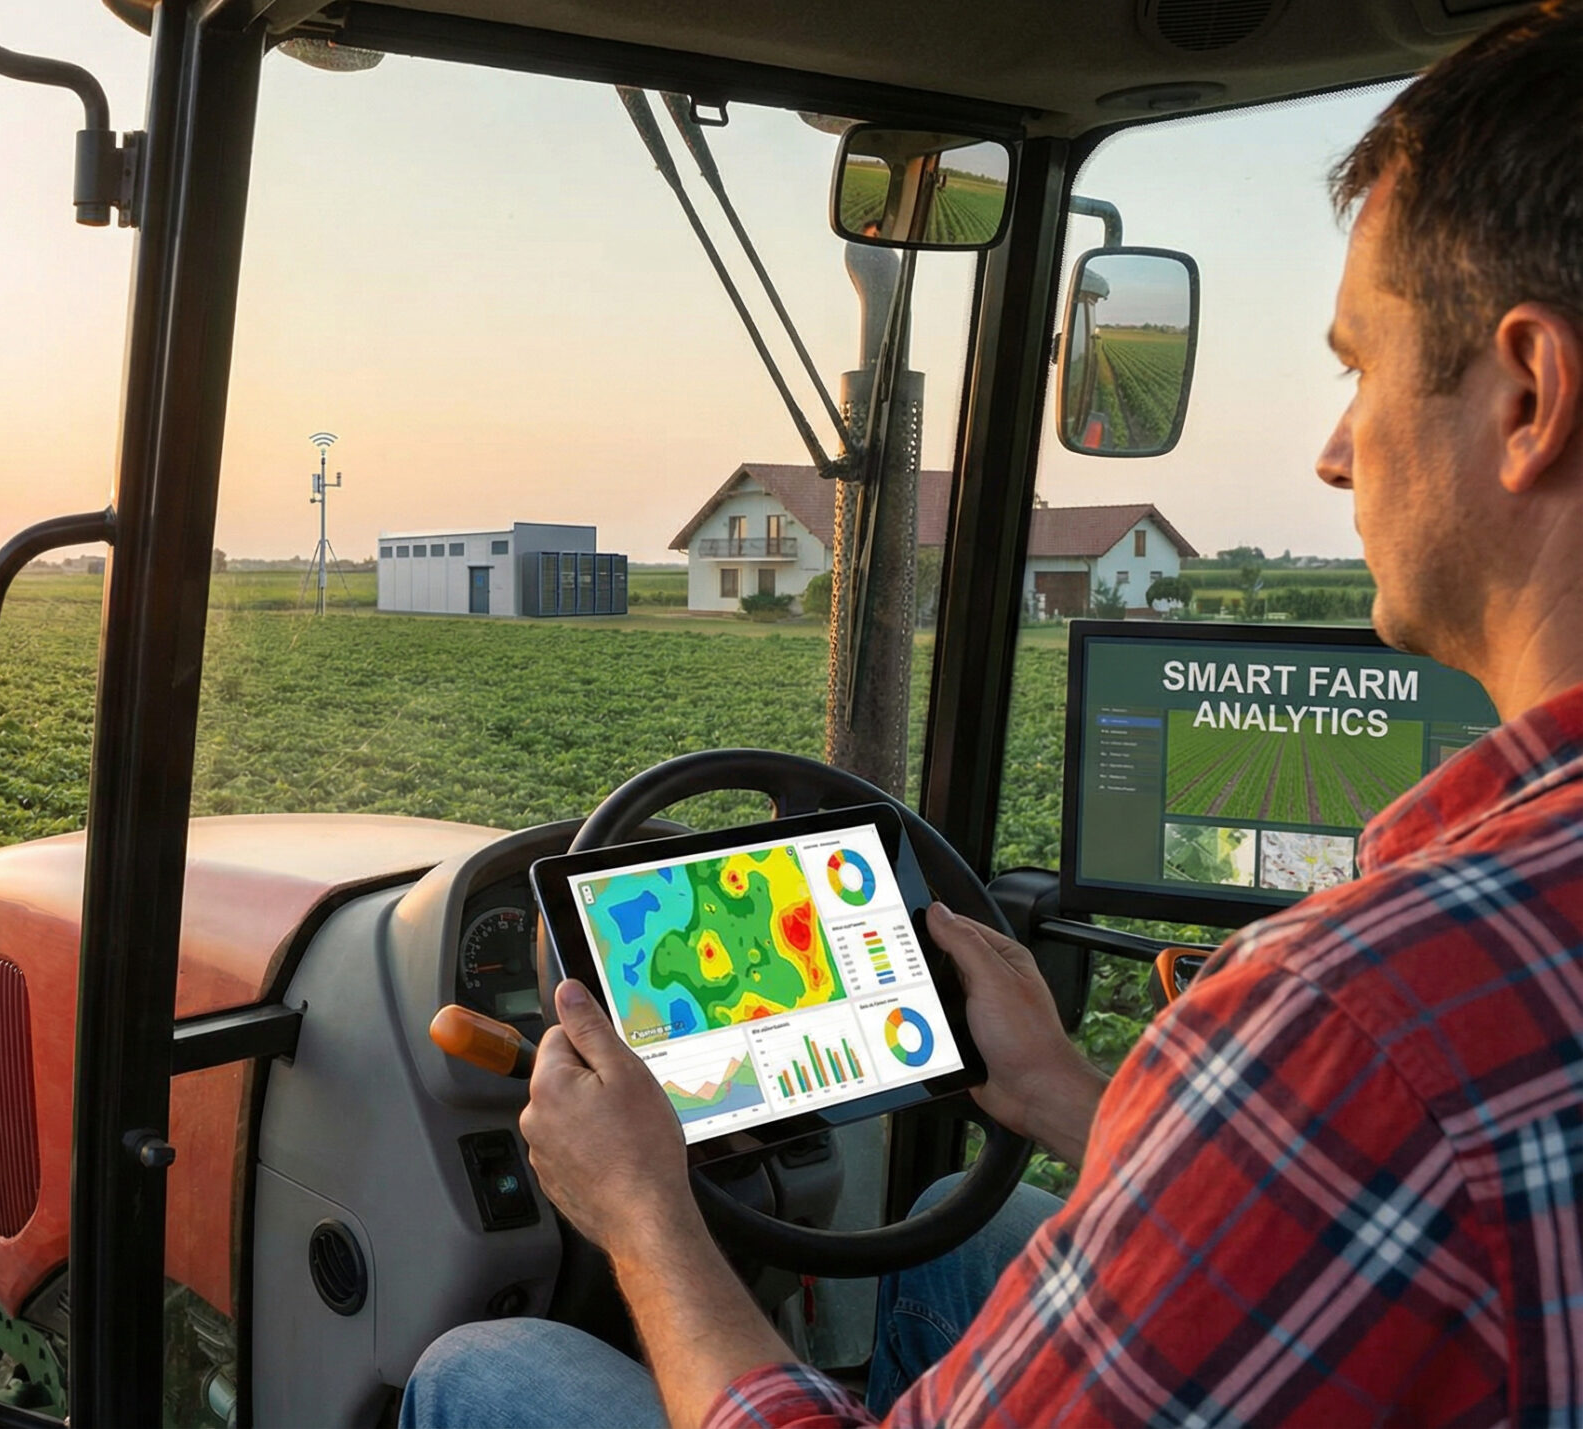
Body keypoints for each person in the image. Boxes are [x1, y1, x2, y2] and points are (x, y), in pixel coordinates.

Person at [402, 2, 1583, 1423]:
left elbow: (1370, 1145)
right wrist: (1079, 1099)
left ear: (1527, 393)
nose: (1335, 451)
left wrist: (646, 1208)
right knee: (929, 1281)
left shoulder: (1357, 1019)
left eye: (1359, 365)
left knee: (479, 1370)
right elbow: (1367, 1225)